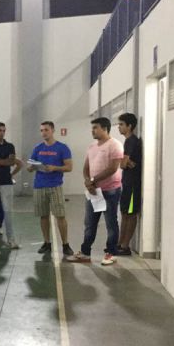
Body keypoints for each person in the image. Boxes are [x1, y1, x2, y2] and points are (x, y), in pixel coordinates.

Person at [67, 117, 123, 265]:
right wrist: (88, 181)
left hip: (110, 191)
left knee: (111, 223)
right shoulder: (92, 146)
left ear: (105, 128)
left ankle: (111, 253)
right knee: (90, 223)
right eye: (92, 128)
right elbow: (86, 167)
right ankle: (85, 252)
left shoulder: (115, 145)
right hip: (94, 192)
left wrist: (93, 180)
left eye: (95, 128)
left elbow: (113, 168)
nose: (92, 131)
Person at [27, 122, 74, 256]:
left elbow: (69, 167)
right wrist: (31, 167)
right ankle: (47, 243)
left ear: (53, 130)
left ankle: (65, 244)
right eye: (41, 130)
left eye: (46, 130)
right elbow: (29, 166)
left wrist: (55, 168)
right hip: (39, 186)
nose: (44, 133)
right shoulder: (37, 148)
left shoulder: (62, 148)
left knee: (60, 216)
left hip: (55, 186)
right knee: (43, 216)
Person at [117, 113, 142, 255]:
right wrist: (126, 162)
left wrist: (125, 162)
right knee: (124, 213)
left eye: (121, 124)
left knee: (131, 214)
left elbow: (123, 164)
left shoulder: (132, 141)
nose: (119, 127)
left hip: (133, 185)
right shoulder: (127, 141)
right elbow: (125, 163)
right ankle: (120, 244)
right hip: (127, 184)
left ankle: (125, 247)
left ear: (129, 126)